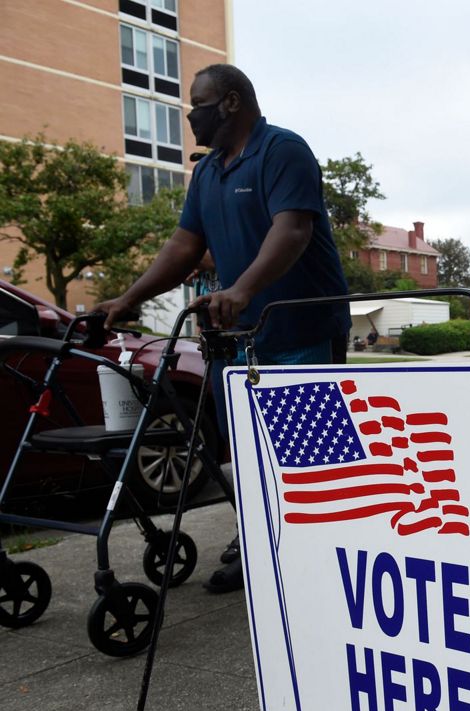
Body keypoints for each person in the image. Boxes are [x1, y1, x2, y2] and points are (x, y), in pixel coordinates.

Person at [100, 63, 351, 593]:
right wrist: (127, 298)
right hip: (236, 340)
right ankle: (260, 539)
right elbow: (182, 246)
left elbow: (294, 231)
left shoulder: (283, 151)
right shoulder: (209, 172)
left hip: (299, 331)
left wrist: (242, 289)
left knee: (307, 458)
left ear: (231, 103)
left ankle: (318, 556)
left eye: (197, 104)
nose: (190, 115)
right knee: (250, 453)